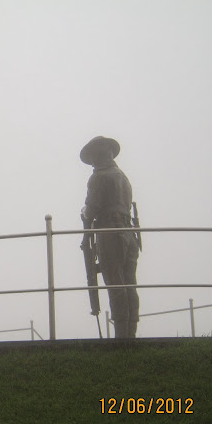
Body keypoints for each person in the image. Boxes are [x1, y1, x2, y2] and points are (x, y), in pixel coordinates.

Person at [80, 136, 140, 338]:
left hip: (110, 234)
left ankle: (121, 338)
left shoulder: (98, 177)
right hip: (129, 234)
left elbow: (92, 209)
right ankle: (130, 333)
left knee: (115, 285)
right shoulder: (124, 177)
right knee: (129, 284)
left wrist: (84, 212)